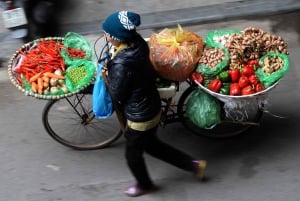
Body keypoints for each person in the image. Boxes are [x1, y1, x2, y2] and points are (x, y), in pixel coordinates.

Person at [101, 10, 207, 197]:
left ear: (117, 38)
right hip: (151, 104)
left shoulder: (121, 64)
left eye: (108, 34)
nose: (105, 36)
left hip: (139, 117)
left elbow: (117, 94)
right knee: (153, 146)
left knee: (133, 156)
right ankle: (194, 166)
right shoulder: (138, 43)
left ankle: (145, 185)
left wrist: (108, 75)